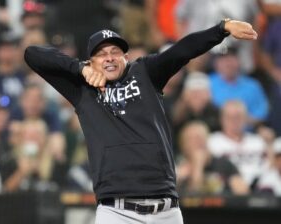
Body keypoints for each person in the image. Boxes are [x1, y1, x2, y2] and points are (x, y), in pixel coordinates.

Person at [24, 19, 257, 224]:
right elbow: (32, 54)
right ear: (91, 61)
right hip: (116, 212)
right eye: (101, 54)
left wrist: (221, 28)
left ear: (126, 57)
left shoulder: (146, 71)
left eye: (115, 52)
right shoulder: (81, 90)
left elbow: (182, 51)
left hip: (166, 210)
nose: (109, 58)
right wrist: (79, 69)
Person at [175, 121, 249, 195]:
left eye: (201, 137)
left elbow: (243, 192)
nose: (198, 142)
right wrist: (198, 166)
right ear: (184, 145)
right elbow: (193, 197)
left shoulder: (223, 164)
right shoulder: (179, 170)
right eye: (192, 139)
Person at [208, 100, 268, 189]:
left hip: (258, 189)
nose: (234, 121)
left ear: (245, 119)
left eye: (238, 117)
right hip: (226, 191)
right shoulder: (212, 141)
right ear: (221, 119)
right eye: (229, 117)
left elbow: (268, 168)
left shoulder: (258, 141)